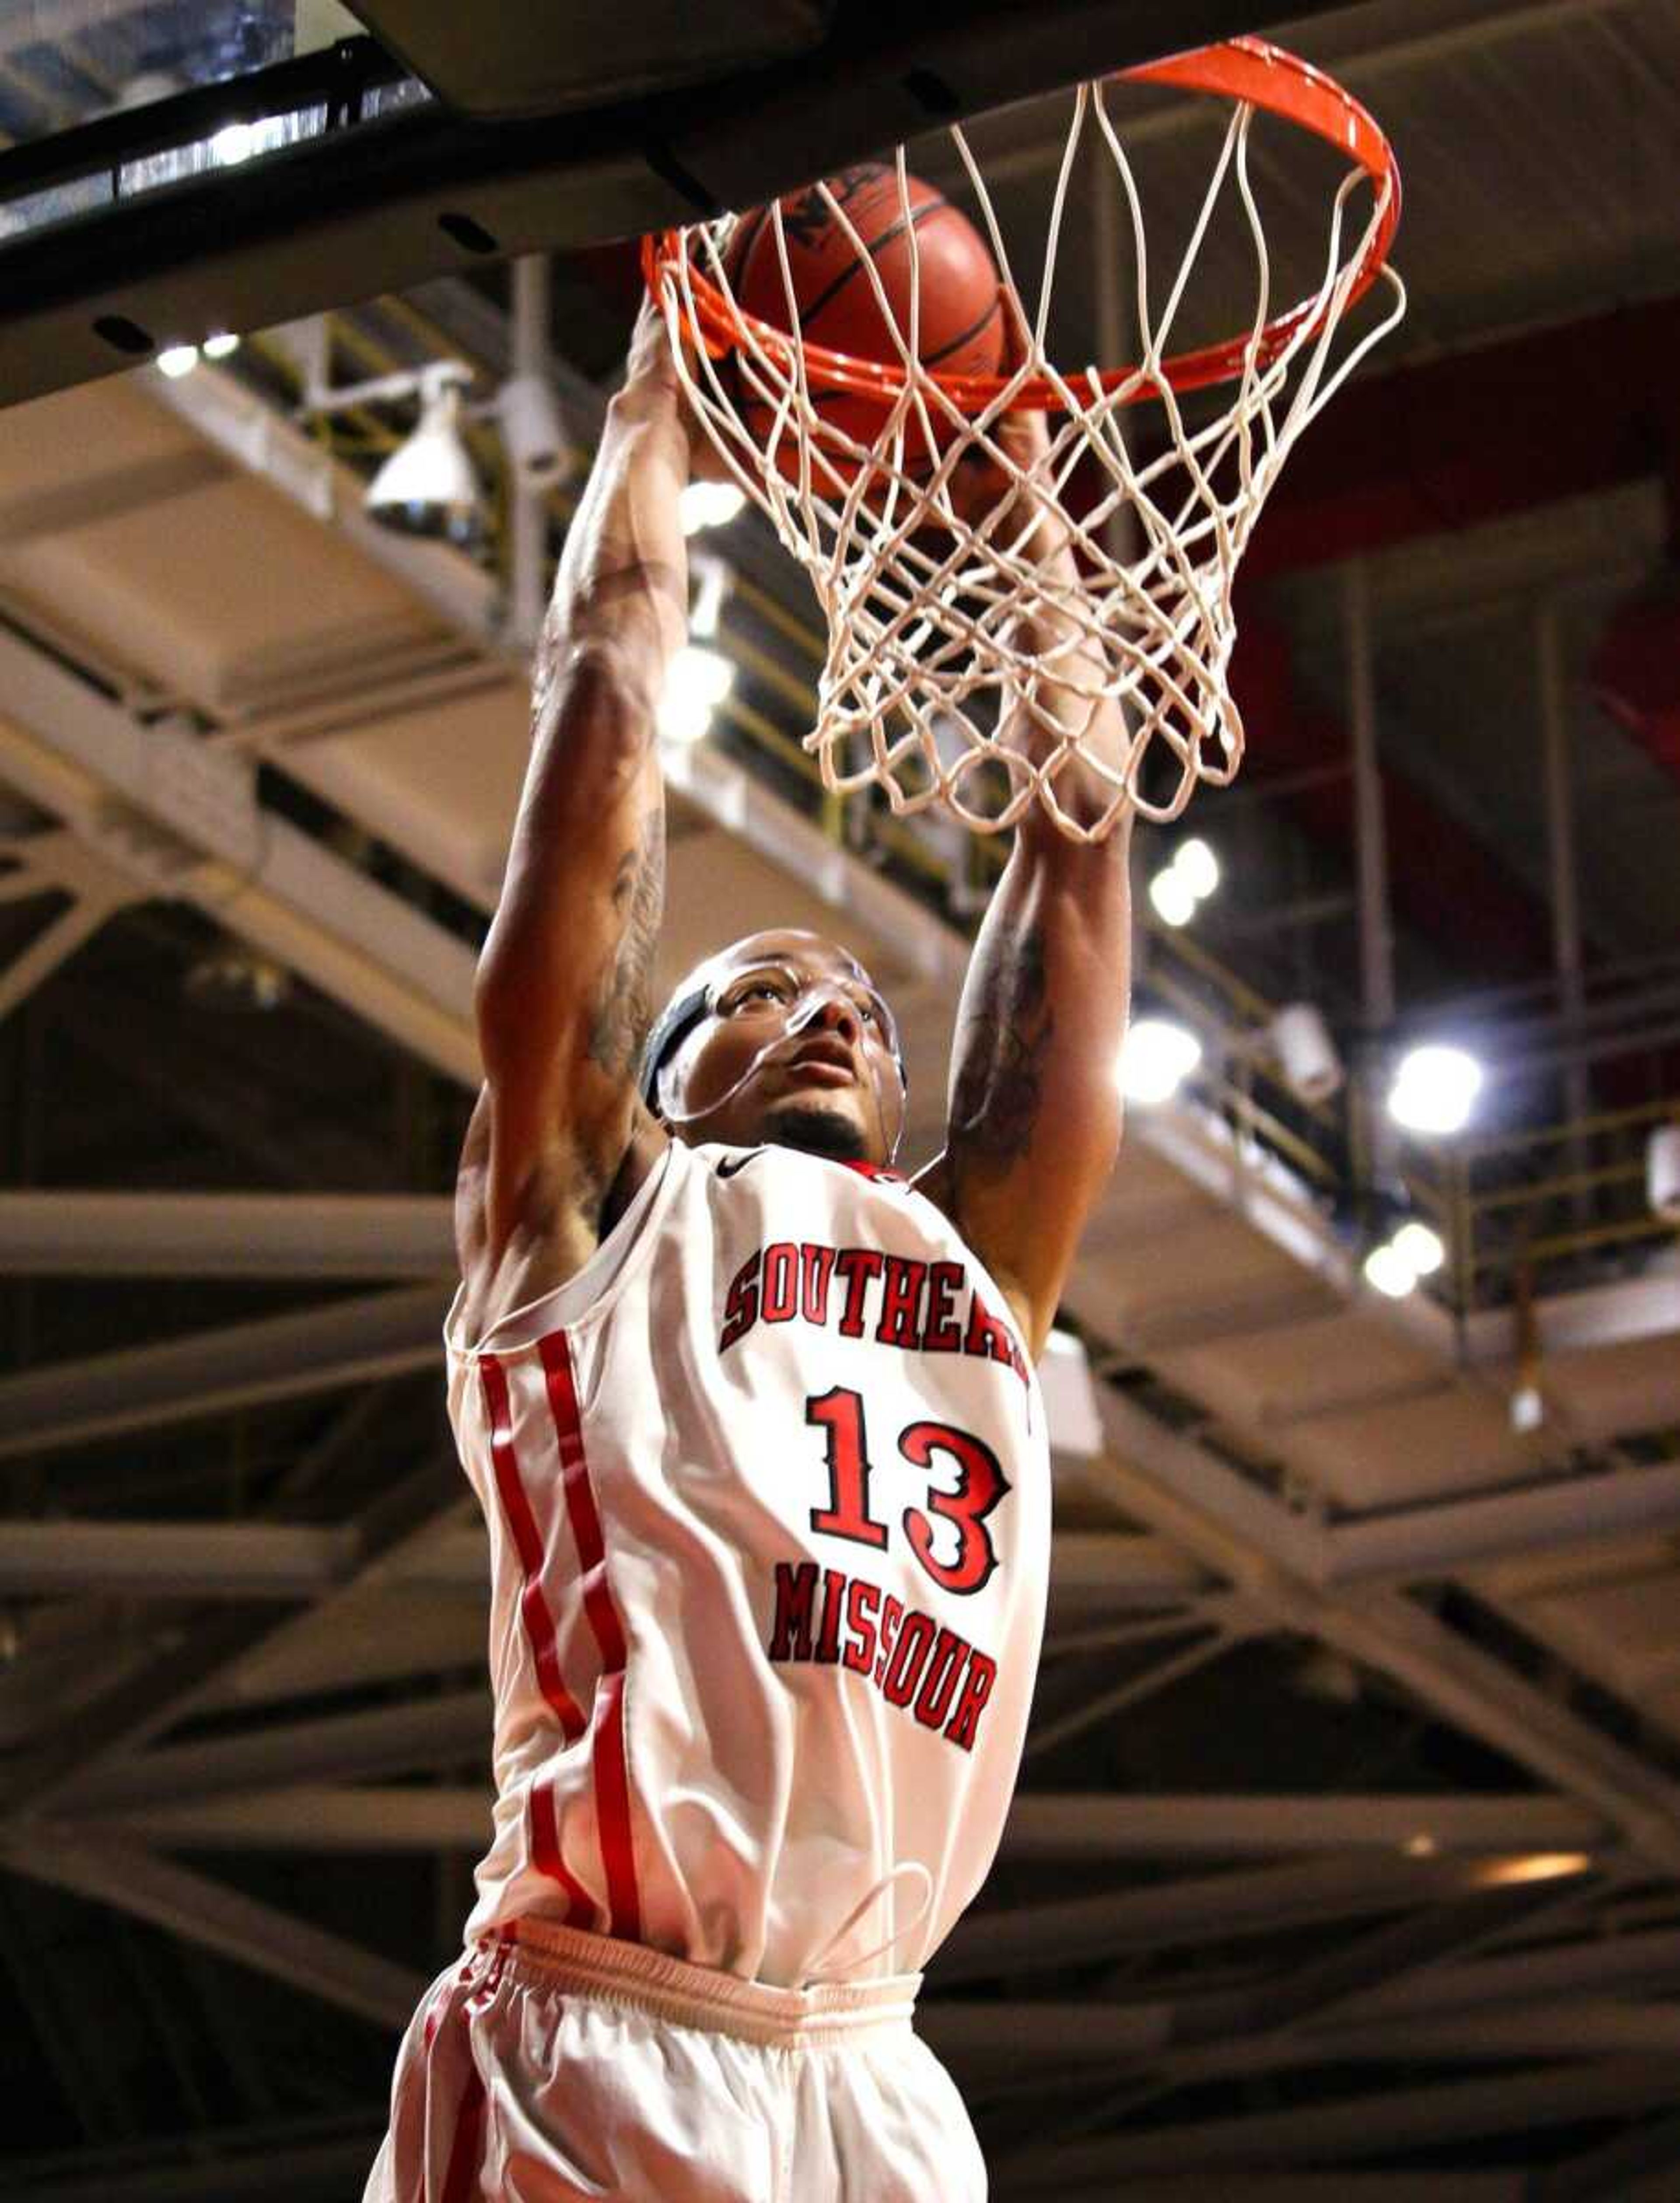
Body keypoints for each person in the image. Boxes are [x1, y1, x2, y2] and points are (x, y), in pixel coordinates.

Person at [364, 292, 1134, 2202]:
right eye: (752, 989)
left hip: (875, 2065)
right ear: (651, 1067)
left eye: (863, 1000)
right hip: (599, 2032)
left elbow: (1078, 854)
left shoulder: (980, 1275)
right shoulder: (592, 1218)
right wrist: (652, 419)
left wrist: (1027, 496)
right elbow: (608, 727)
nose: (830, 1007)